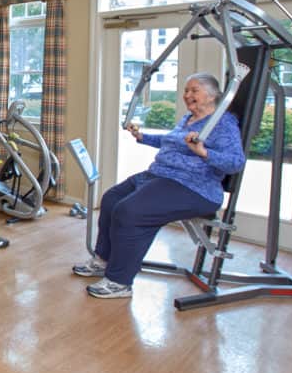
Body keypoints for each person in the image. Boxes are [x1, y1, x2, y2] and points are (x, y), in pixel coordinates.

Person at [73, 73, 246, 299]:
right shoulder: (190, 118)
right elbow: (171, 140)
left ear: (213, 96)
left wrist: (204, 152)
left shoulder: (223, 124)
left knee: (130, 211)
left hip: (194, 186)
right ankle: (103, 260)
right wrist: (143, 136)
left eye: (194, 90)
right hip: (159, 175)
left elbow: (236, 162)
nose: (187, 95)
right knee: (111, 199)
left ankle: (119, 281)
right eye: (186, 90)